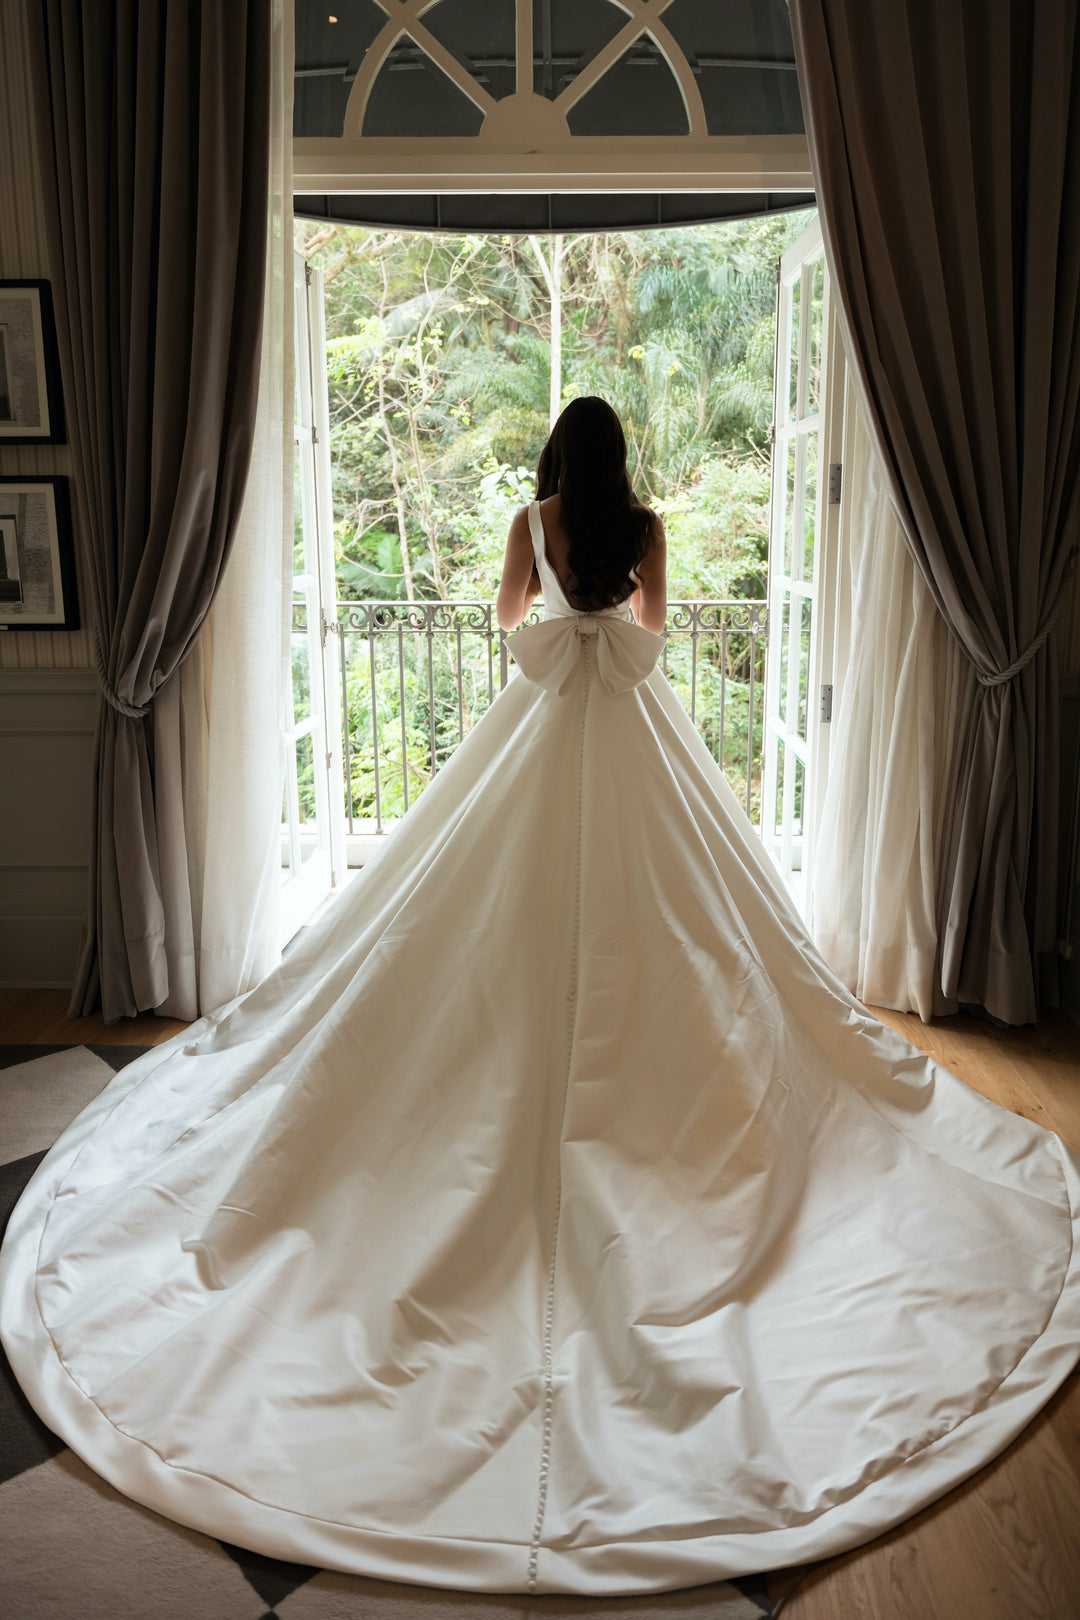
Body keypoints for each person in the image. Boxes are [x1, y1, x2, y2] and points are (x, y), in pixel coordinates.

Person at [1, 397, 1078, 1597]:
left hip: (541, 728)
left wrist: (550, 614)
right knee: (689, 930)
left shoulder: (533, 516)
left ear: (561, 461)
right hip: (634, 736)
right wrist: (608, 628)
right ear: (623, 463)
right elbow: (655, 639)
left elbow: (509, 620)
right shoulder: (650, 525)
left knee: (463, 922)